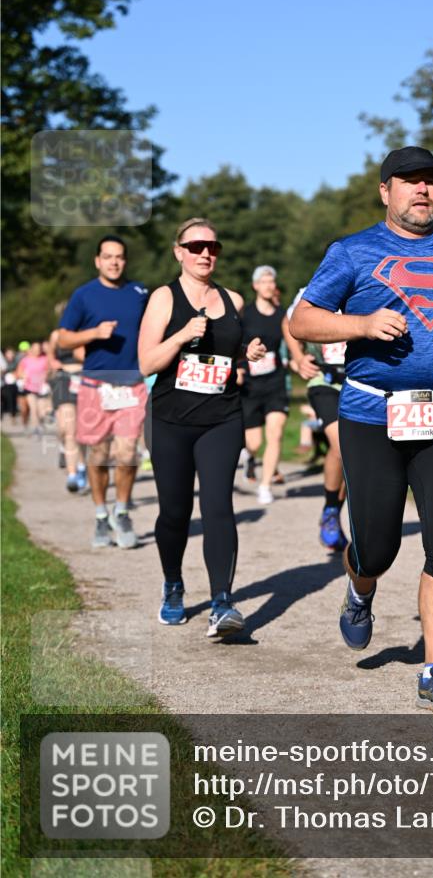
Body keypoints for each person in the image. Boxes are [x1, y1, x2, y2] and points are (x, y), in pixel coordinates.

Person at [290, 145, 433, 717]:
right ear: (385, 191)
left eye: (431, 181)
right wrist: (360, 323)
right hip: (372, 414)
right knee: (378, 544)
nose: (422, 191)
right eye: (409, 182)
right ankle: (361, 591)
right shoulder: (353, 251)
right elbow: (302, 320)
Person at [138, 218, 266, 638]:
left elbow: (234, 351)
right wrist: (180, 337)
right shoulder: (163, 298)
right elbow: (146, 364)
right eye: (195, 246)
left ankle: (221, 603)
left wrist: (250, 350)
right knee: (175, 513)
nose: (205, 253)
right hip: (170, 421)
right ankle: (173, 585)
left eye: (212, 246)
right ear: (179, 251)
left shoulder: (232, 299)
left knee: (218, 508)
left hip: (222, 418)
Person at [58, 235, 149, 549]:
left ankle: (122, 510)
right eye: (108, 256)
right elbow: (63, 339)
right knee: (98, 455)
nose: (114, 262)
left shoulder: (140, 293)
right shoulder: (84, 296)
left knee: (126, 453)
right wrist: (94, 334)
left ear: (125, 260)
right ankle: (100, 514)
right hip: (95, 386)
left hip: (132, 385)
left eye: (119, 257)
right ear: (97, 260)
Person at [285, 286, 348, 551]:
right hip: (323, 380)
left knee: (353, 452)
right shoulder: (312, 291)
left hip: (360, 381)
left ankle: (339, 511)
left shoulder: (368, 283)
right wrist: (298, 357)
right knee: (342, 443)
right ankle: (331, 510)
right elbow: (287, 321)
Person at [239, 265, 290, 505]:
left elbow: (291, 342)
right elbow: (235, 344)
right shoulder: (245, 314)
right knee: (254, 442)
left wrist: (298, 361)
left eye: (272, 281)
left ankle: (265, 485)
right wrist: (238, 368)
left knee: (276, 433)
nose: (269, 285)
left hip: (275, 382)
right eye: (264, 282)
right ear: (255, 286)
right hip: (250, 385)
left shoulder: (282, 315)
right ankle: (249, 456)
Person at [48, 305, 87, 493]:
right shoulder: (57, 336)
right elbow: (50, 359)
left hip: (83, 381)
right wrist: (56, 365)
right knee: (66, 429)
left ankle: (78, 469)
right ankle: (73, 469)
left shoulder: (85, 334)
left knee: (79, 431)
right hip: (63, 381)